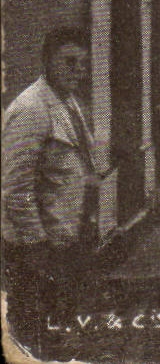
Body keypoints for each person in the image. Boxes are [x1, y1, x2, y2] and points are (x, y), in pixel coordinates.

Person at [2, 27, 100, 357]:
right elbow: (15, 189)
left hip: (64, 240)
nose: (79, 71)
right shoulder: (31, 109)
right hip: (36, 249)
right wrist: (35, 246)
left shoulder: (68, 102)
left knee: (57, 332)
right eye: (70, 62)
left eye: (83, 64)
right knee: (31, 337)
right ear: (47, 62)